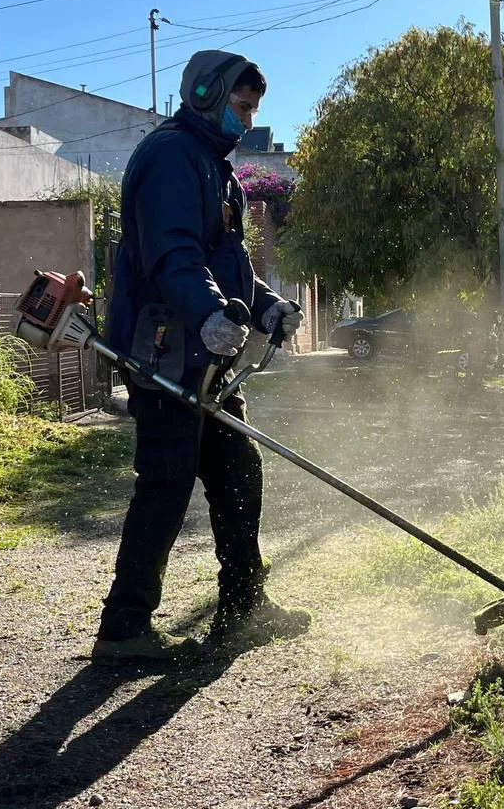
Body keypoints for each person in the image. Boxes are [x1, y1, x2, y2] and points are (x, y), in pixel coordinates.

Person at [97, 49, 309, 663]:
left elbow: (228, 265)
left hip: (209, 352)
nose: (246, 123)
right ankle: (123, 627)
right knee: (165, 483)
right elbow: (172, 255)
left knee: (238, 470)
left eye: (252, 112)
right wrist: (209, 314)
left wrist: (265, 307)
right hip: (164, 350)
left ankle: (244, 605)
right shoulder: (169, 157)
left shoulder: (215, 168)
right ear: (207, 95)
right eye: (240, 108)